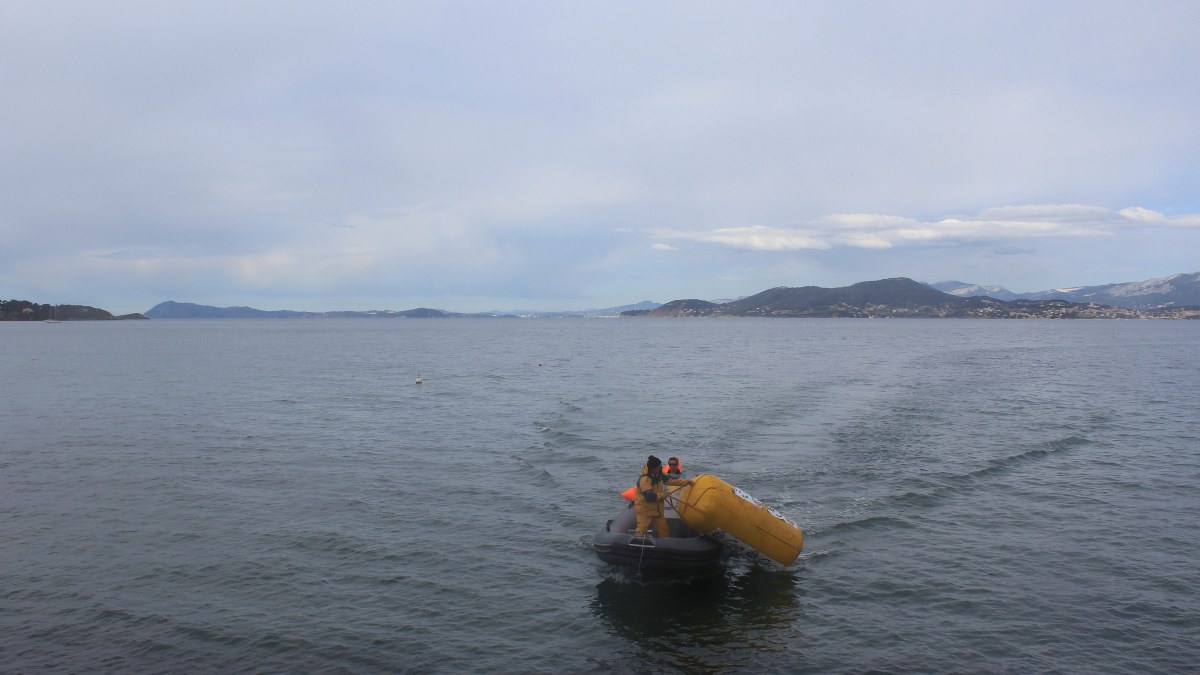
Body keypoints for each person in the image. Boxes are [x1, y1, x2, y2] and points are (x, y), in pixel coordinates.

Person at [633, 455, 694, 538]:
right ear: (653, 468)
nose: (661, 468)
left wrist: (686, 482)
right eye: (659, 466)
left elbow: (671, 481)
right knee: (641, 530)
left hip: (658, 510)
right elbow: (649, 496)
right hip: (645, 510)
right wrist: (663, 495)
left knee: (664, 530)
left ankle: (664, 542)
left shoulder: (660, 474)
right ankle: (638, 540)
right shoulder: (645, 479)